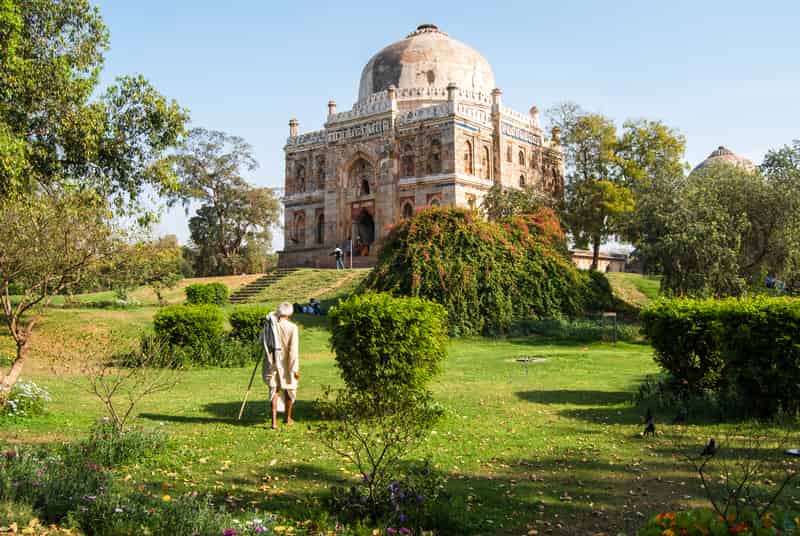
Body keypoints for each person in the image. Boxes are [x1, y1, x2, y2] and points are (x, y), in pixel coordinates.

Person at [261, 302, 300, 430]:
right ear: (290, 314)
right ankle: (287, 418)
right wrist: (295, 369)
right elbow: (293, 350)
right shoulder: (292, 327)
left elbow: (262, 341)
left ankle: (274, 422)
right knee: (290, 389)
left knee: (274, 389)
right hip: (287, 363)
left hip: (271, 361)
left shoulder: (269, 324)